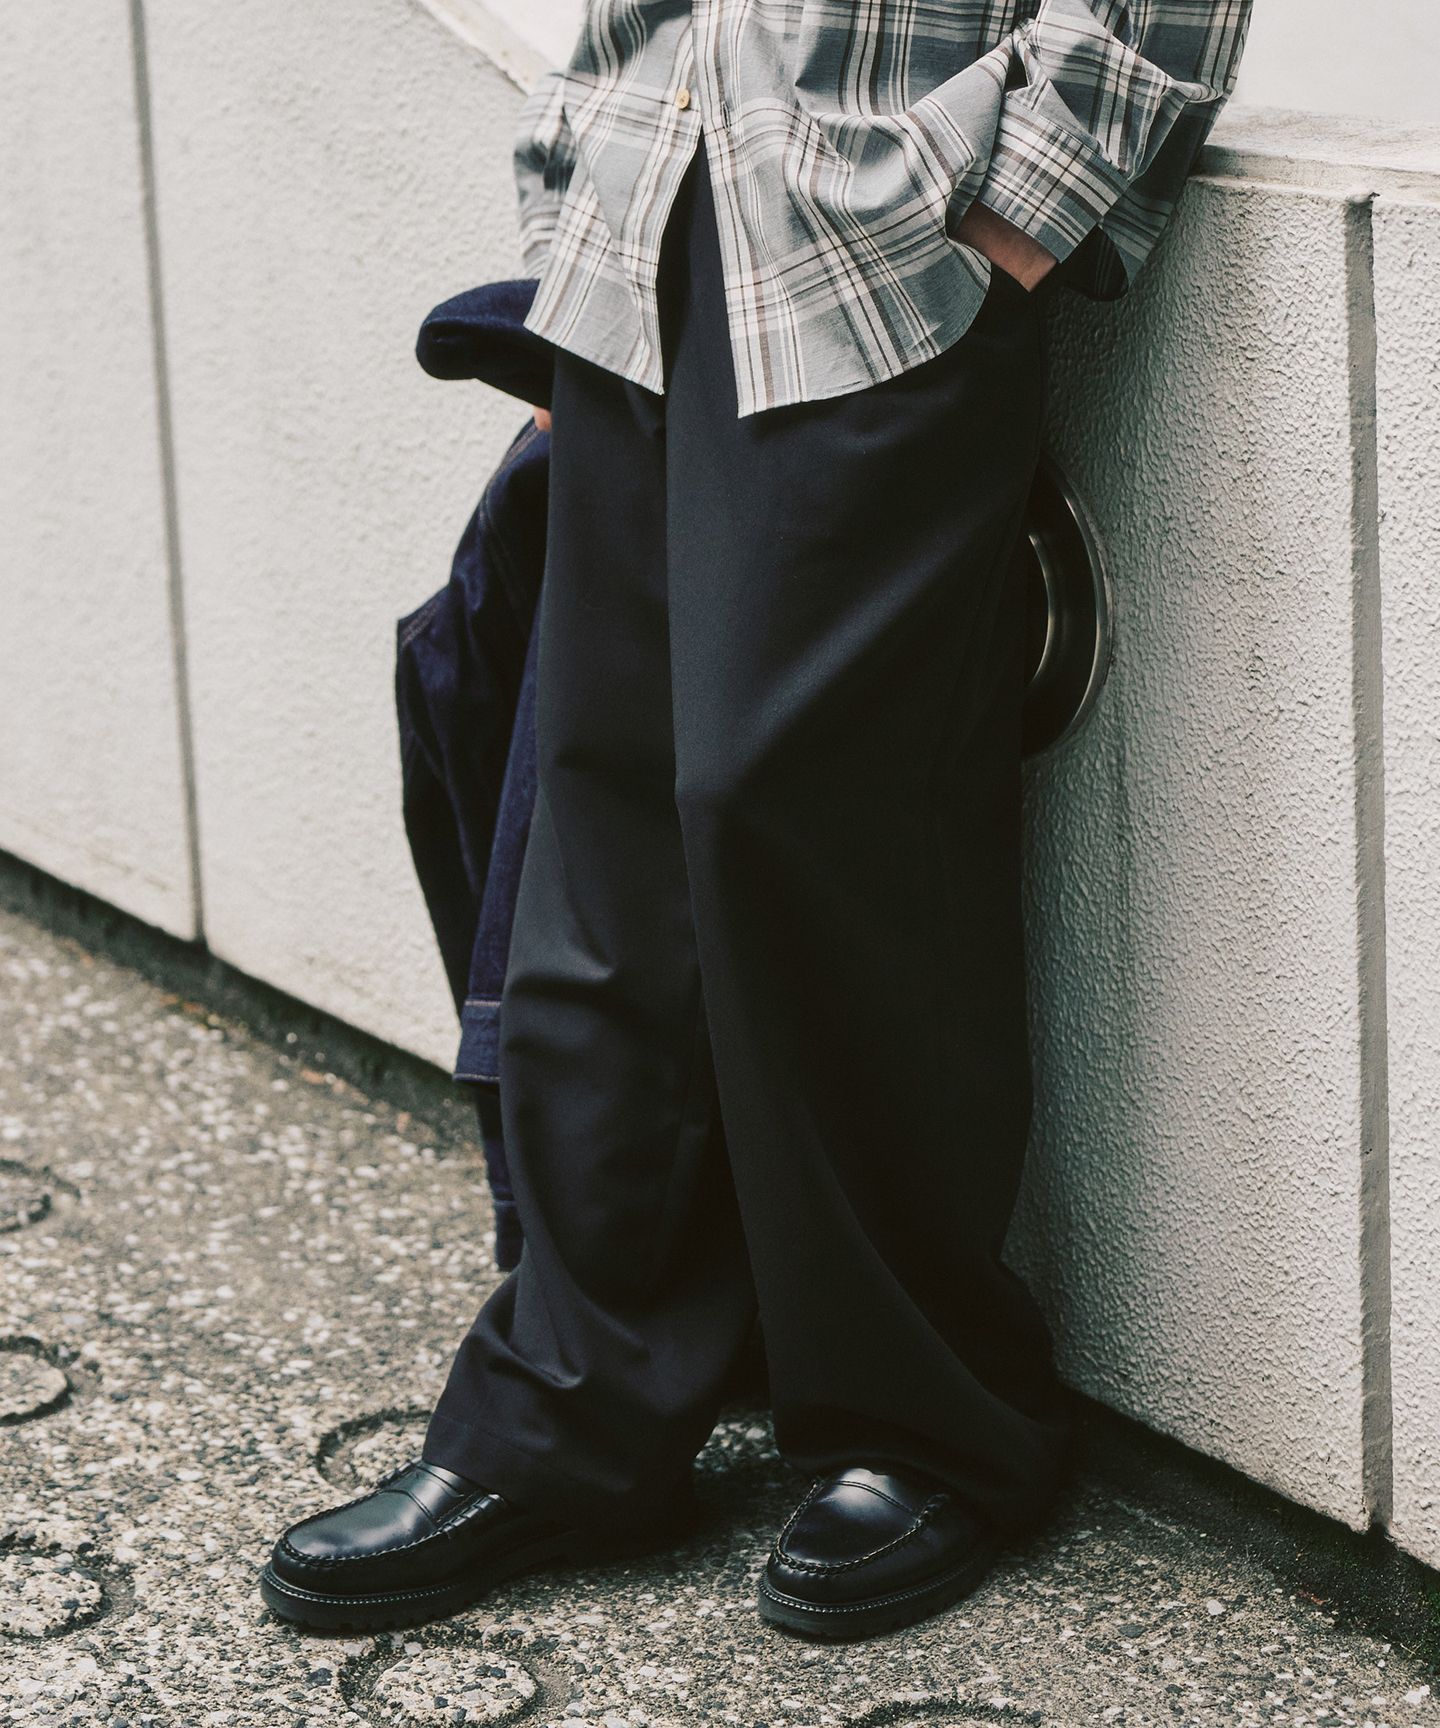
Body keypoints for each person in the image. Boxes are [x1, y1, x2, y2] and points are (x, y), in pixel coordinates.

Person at [260, 0, 1252, 1642]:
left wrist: (1006, 219)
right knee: (607, 843)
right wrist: (578, 224)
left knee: (811, 825)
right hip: (646, 232)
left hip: (880, 241)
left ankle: (936, 1419)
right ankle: (568, 1414)